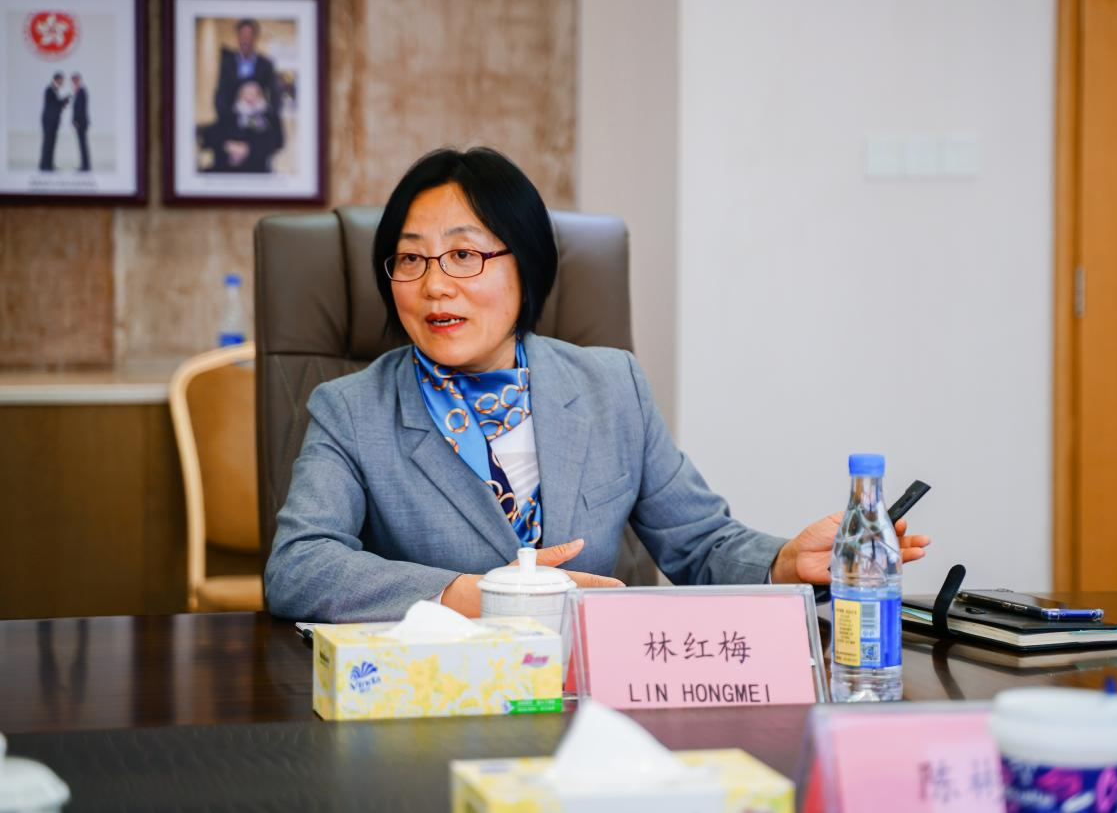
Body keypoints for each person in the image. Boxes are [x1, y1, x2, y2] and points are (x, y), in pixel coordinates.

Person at [264, 148, 930, 623]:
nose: (435, 284)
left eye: (464, 255)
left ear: (526, 266)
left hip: (594, 696)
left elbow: (702, 543)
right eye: (411, 258)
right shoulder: (351, 409)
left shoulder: (612, 387)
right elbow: (300, 566)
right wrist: (470, 595)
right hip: (437, 700)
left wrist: (785, 561)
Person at [208, 18, 283, 172]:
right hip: (230, 125)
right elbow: (220, 94)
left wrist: (250, 148)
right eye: (242, 35)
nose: (245, 40)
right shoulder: (227, 63)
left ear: (255, 38)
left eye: (249, 36)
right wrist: (230, 144)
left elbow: (277, 141)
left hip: (257, 159)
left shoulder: (265, 64)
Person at [200, 80, 283, 172]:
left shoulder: (270, 117)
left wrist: (248, 149)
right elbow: (211, 136)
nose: (251, 97)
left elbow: (277, 142)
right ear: (240, 95)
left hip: (257, 168)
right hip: (225, 168)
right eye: (247, 93)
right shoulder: (229, 114)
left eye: (255, 93)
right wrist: (228, 145)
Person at [38, 72, 69, 172]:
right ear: (56, 79)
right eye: (61, 80)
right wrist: (64, 101)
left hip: (53, 121)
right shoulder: (49, 90)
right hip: (49, 121)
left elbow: (56, 106)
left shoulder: (54, 90)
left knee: (51, 143)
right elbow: (54, 105)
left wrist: (63, 103)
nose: (62, 82)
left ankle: (49, 164)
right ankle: (44, 165)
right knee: (48, 143)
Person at [70, 73, 90, 172]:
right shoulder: (78, 91)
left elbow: (81, 109)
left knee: (83, 144)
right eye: (73, 81)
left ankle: (85, 166)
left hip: (81, 123)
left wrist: (77, 121)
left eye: (75, 80)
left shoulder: (81, 91)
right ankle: (84, 165)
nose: (74, 82)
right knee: (82, 145)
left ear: (78, 80)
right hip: (80, 122)